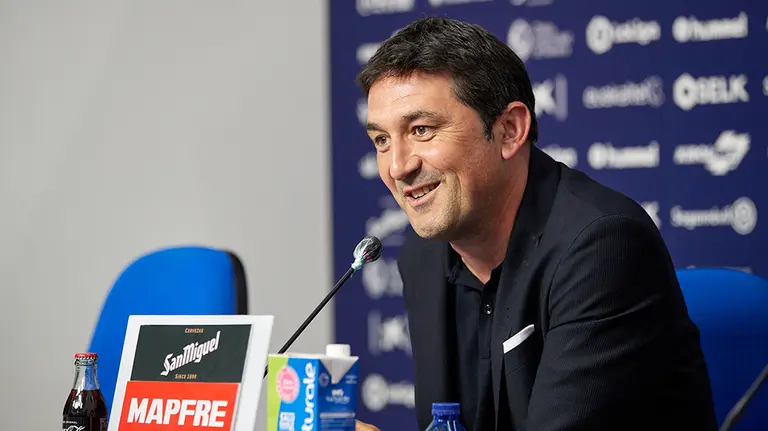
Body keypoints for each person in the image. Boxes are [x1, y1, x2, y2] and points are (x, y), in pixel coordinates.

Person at [353, 16, 718, 431]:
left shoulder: (603, 247)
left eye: (422, 130)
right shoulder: (423, 257)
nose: (397, 167)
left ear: (509, 130)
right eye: (382, 140)